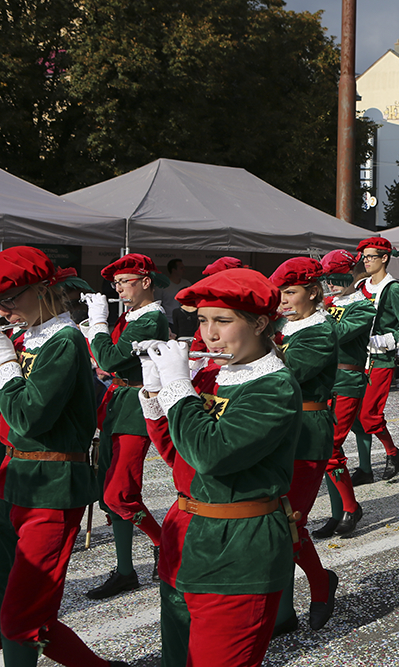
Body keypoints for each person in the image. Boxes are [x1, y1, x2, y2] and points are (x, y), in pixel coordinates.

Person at [0, 246, 128, 667]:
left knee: (22, 617)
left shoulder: (64, 341)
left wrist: (2, 360)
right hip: (16, 481)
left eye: (10, 300)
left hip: (52, 489)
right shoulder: (30, 337)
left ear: (43, 290)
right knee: (7, 606)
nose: (2, 312)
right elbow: (4, 418)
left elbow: (29, 416)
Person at [138, 268, 301, 667]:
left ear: (261, 323)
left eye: (223, 321)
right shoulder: (214, 373)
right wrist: (157, 390)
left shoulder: (274, 386)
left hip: (238, 545)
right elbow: (179, 457)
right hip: (185, 537)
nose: (208, 333)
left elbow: (212, 454)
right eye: (203, 320)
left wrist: (179, 388)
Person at [82, 254, 170, 600]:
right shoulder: (132, 316)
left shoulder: (150, 318)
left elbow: (109, 358)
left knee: (119, 492)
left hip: (138, 405)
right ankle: (125, 570)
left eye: (125, 281)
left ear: (146, 281)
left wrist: (97, 323)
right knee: (111, 492)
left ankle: (165, 542)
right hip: (119, 402)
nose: (119, 289)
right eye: (116, 283)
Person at [269, 258, 340, 635]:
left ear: (313, 291)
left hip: (307, 428)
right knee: (272, 518)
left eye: (291, 292)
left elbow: (287, 372)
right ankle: (281, 612)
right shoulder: (284, 324)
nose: (283, 300)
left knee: (290, 520)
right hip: (276, 425)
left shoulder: (319, 331)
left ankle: (319, 582)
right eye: (280, 293)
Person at [350, 237, 399, 485]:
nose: (365, 261)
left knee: (369, 415)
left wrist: (387, 340)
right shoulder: (360, 287)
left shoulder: (394, 289)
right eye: (364, 257)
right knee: (355, 416)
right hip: (357, 359)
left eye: (370, 256)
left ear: (385, 258)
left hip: (381, 359)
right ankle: (365, 468)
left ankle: (393, 452)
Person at [313, 251, 373, 538]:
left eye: (337, 280)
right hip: (322, 380)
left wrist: (310, 316)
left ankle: (350, 507)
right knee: (323, 449)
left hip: (347, 380)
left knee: (331, 447)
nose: (332, 286)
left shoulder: (363, 307)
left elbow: (336, 333)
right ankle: (337, 514)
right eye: (328, 281)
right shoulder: (325, 303)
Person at [155, 259, 192, 335]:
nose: (184, 270)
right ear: (173, 270)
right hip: (169, 322)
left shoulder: (187, 284)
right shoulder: (163, 285)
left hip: (185, 321)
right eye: (181, 268)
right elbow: (157, 303)